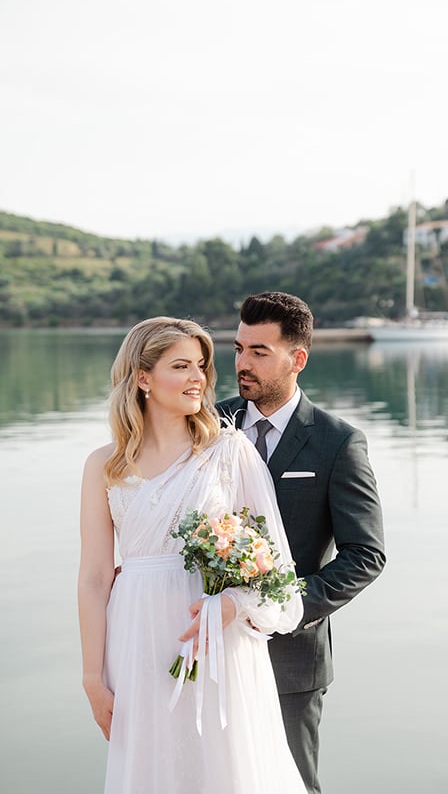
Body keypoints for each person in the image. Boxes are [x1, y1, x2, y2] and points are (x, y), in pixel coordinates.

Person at [77, 316, 308, 794]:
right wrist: (92, 678)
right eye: (181, 366)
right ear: (143, 377)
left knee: (224, 770)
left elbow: (278, 572)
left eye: (201, 366)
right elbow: (95, 577)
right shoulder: (104, 464)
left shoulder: (229, 451)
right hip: (135, 640)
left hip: (215, 641)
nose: (199, 378)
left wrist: (234, 604)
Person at [217, 292, 386, 794]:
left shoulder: (338, 442)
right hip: (211, 648)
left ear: (298, 359)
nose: (243, 364)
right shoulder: (208, 427)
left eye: (259, 353)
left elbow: (366, 555)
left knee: (290, 785)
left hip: (291, 659)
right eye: (239, 349)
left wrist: (281, 606)